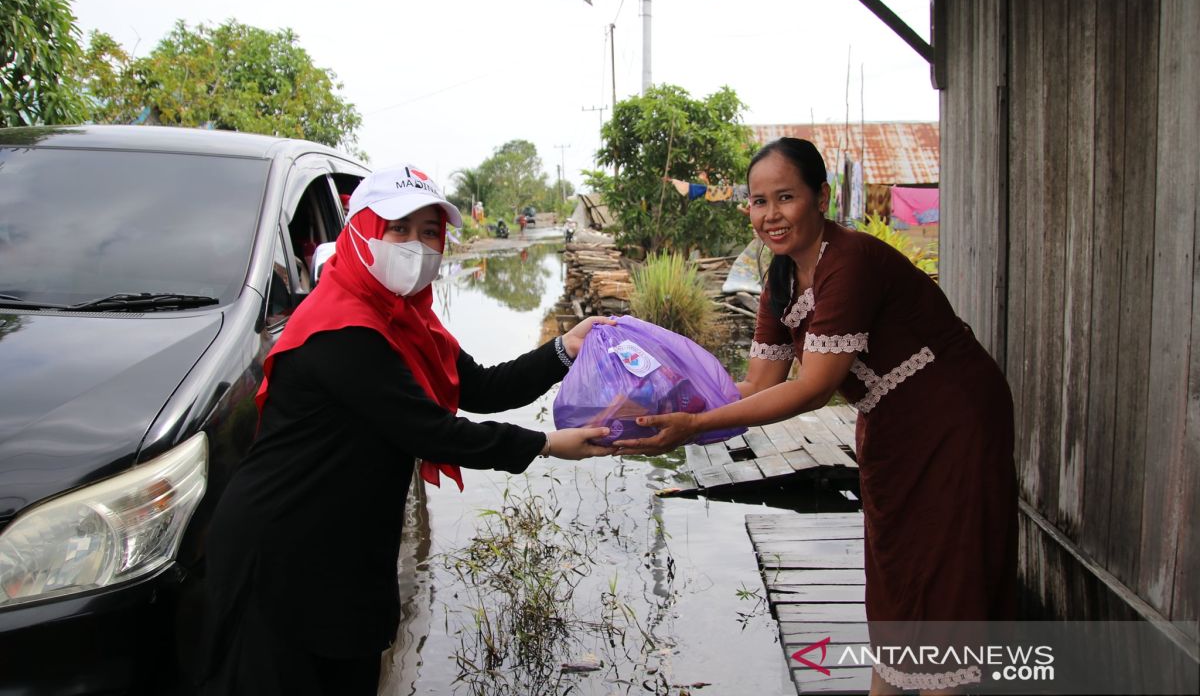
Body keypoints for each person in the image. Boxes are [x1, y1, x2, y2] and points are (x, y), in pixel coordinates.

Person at [615, 137, 1017, 694]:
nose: (770, 215)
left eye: (785, 197)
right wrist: (666, 403)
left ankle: (940, 685)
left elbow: (815, 388)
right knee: (897, 566)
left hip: (952, 414)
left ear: (820, 198)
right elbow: (757, 385)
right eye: (758, 202)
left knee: (941, 566)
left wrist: (697, 428)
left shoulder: (849, 263)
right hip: (888, 421)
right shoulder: (780, 281)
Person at [200, 166, 612, 696]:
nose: (416, 246)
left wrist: (565, 349)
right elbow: (433, 433)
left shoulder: (408, 319)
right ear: (361, 232)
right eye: (398, 228)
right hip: (284, 545)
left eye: (429, 232)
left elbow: (481, 387)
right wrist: (548, 444)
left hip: (346, 537)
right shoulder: (343, 328)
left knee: (353, 659)